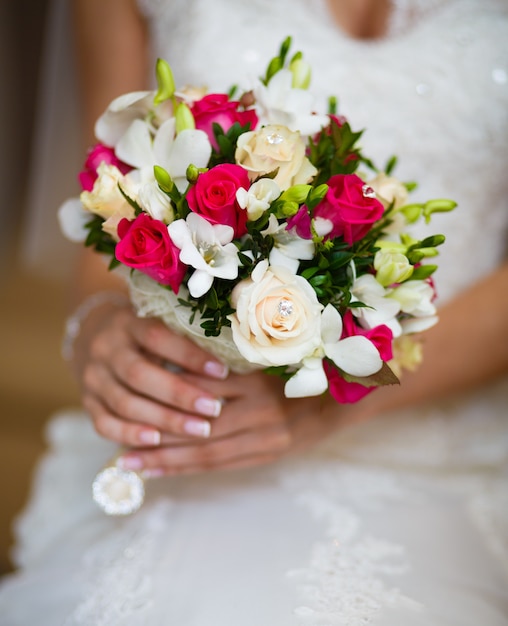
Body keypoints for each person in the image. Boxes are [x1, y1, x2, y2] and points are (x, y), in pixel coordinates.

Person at [1, 0, 507, 624]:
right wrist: (97, 328)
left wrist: (328, 400)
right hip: (191, 423)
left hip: (434, 444)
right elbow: (103, 198)